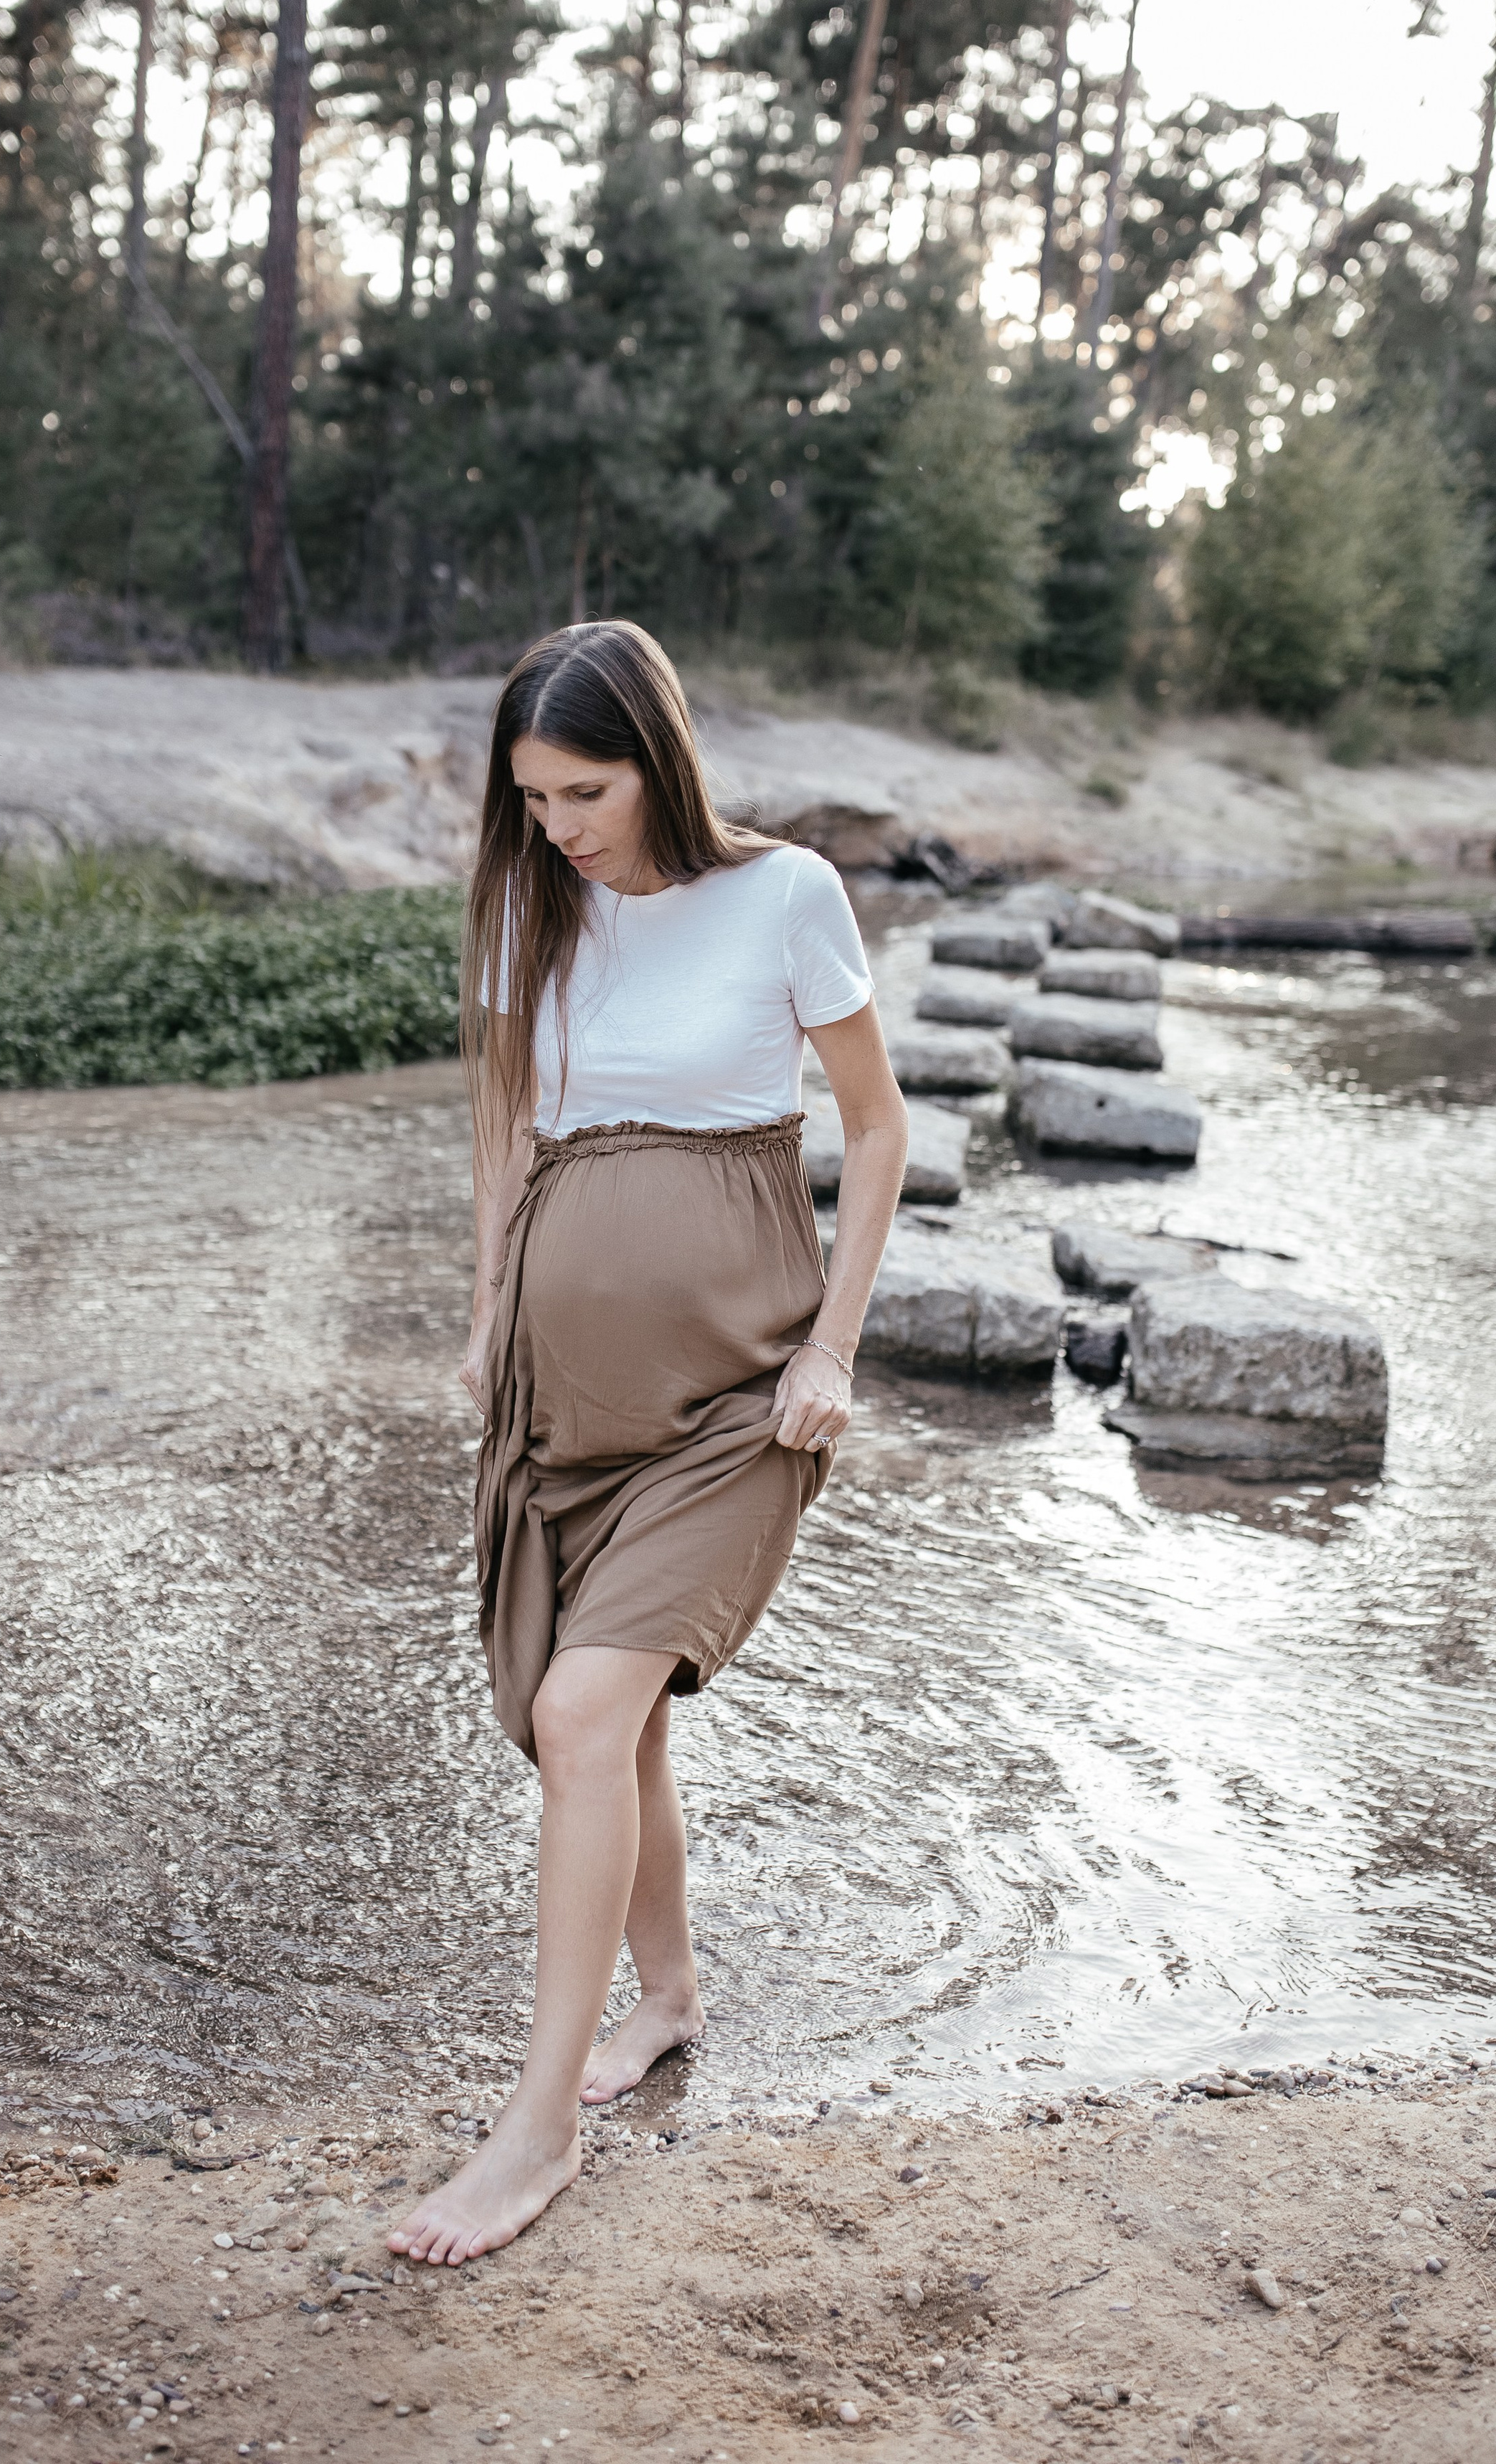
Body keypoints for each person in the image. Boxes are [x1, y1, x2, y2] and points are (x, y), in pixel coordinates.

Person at [389, 620, 907, 2269]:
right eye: (532, 797)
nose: (558, 825)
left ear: (658, 760)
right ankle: (667, 1997)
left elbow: (878, 1128)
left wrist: (834, 1343)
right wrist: (483, 1316)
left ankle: (534, 2131)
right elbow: (510, 1131)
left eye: (585, 790)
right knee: (610, 1730)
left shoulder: (786, 895)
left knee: (582, 1702)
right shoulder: (532, 896)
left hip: (738, 1393)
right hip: (563, 1396)